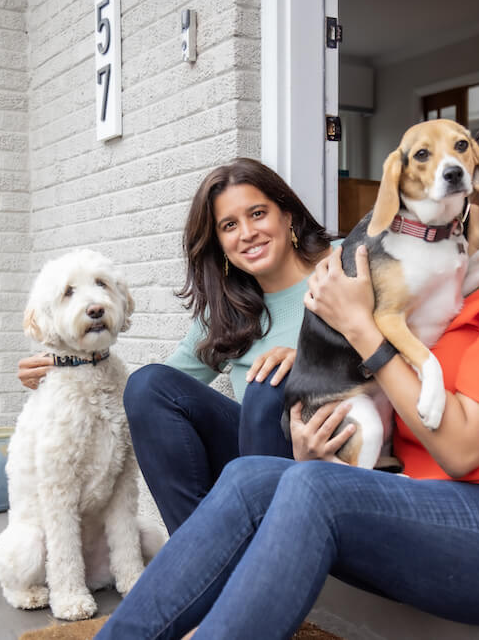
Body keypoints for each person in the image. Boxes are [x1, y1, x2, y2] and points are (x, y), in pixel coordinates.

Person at [94, 102, 479, 639]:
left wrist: (362, 330)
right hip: (418, 497)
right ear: (475, 164)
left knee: (312, 488)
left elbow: (462, 451)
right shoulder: (447, 266)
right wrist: (319, 443)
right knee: (251, 475)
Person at [17, 158, 334, 534]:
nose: (247, 233)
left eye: (258, 213)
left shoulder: (342, 267)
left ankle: (258, 550)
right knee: (149, 383)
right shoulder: (229, 310)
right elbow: (146, 398)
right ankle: (199, 548)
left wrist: (311, 360)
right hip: (257, 454)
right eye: (229, 225)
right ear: (220, 243)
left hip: (329, 442)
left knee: (269, 386)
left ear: (287, 214)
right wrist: (66, 367)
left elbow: (392, 346)